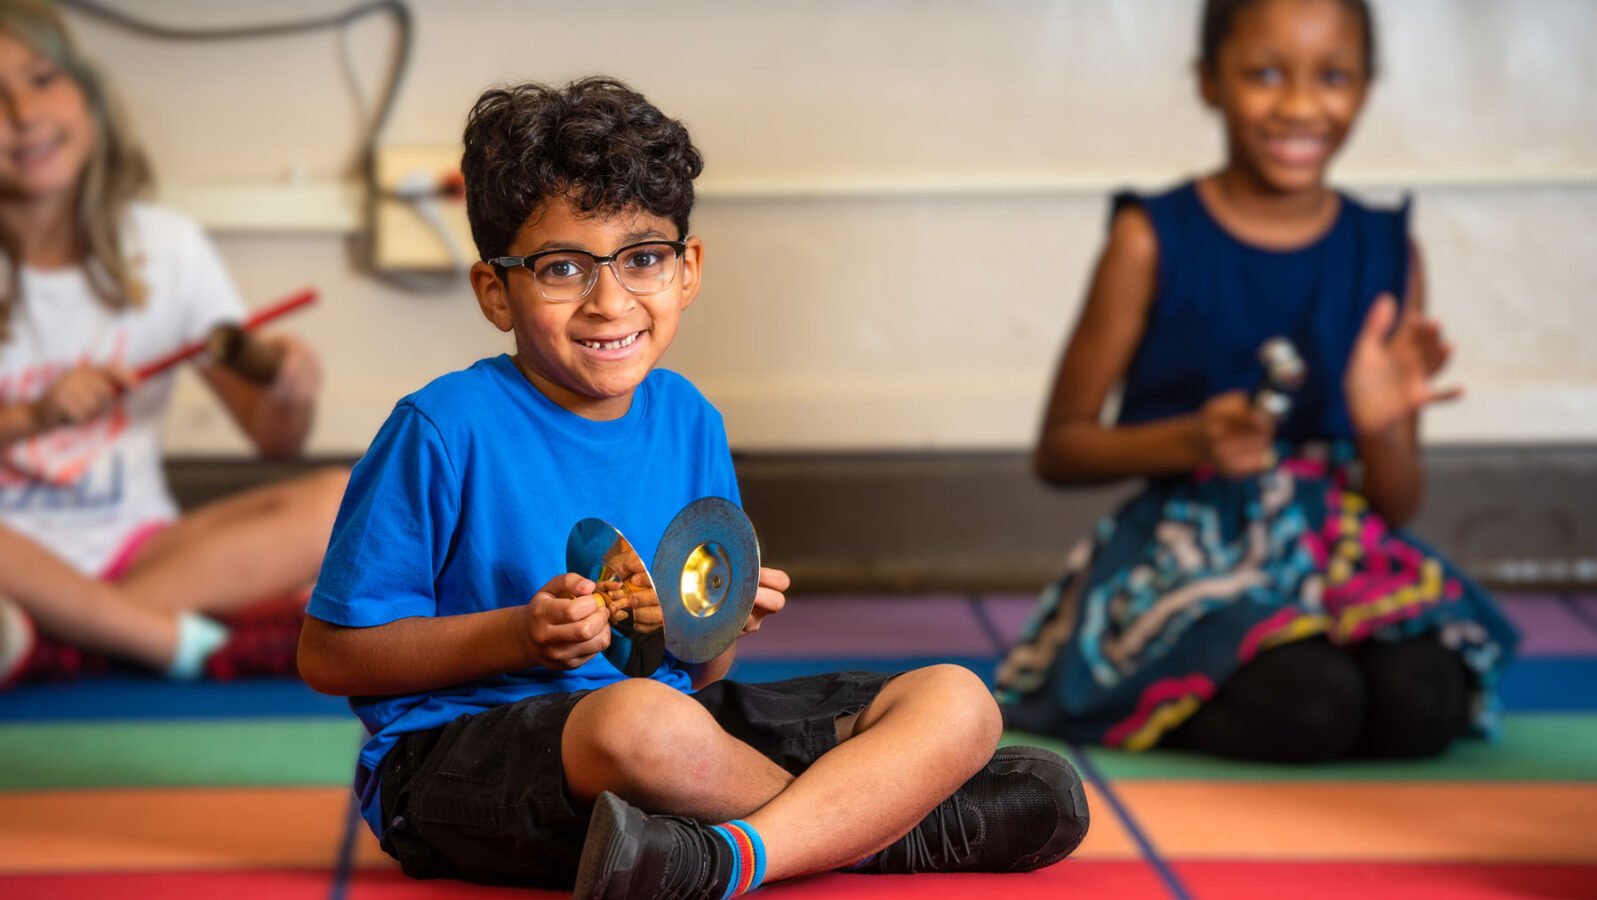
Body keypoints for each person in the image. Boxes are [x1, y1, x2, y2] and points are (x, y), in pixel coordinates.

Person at [297, 77, 1089, 898]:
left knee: (958, 698)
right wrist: (517, 637)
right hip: (458, 763)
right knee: (638, 724)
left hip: (677, 736)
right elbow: (328, 656)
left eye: (643, 259)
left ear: (687, 269)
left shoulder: (690, 419)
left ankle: (717, 855)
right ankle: (878, 830)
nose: (610, 303)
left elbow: (698, 679)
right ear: (497, 290)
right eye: (563, 267)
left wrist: (720, 621)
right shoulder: (442, 428)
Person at [996, 0, 1518, 764]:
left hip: (1337, 549)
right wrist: (1192, 438)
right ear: (1210, 82)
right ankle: (1153, 694)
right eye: (1266, 74)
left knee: (1424, 705)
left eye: (1333, 76)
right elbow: (1060, 450)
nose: (1301, 105)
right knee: (1312, 707)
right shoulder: (1151, 237)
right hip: (1194, 553)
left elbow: (1399, 503)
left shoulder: (1388, 251)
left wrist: (1379, 428)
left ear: (1367, 86)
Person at [0, 0, 346, 687]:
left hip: (144, 556)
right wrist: (34, 418)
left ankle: (59, 641)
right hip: (12, 562)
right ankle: (151, 641)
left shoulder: (165, 246)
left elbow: (275, 441)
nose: (23, 113)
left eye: (43, 80)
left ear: (88, 97)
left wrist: (289, 390)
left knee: (343, 499)